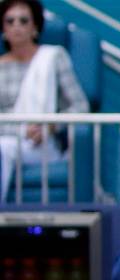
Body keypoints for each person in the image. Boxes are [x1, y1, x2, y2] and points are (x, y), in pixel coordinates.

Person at [0, 0, 89, 201]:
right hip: (7, 136)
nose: (16, 26)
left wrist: (50, 126)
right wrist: (20, 130)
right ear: (3, 28)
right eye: (10, 21)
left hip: (42, 144)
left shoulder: (52, 57)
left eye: (23, 20)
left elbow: (80, 106)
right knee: (3, 146)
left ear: (35, 27)